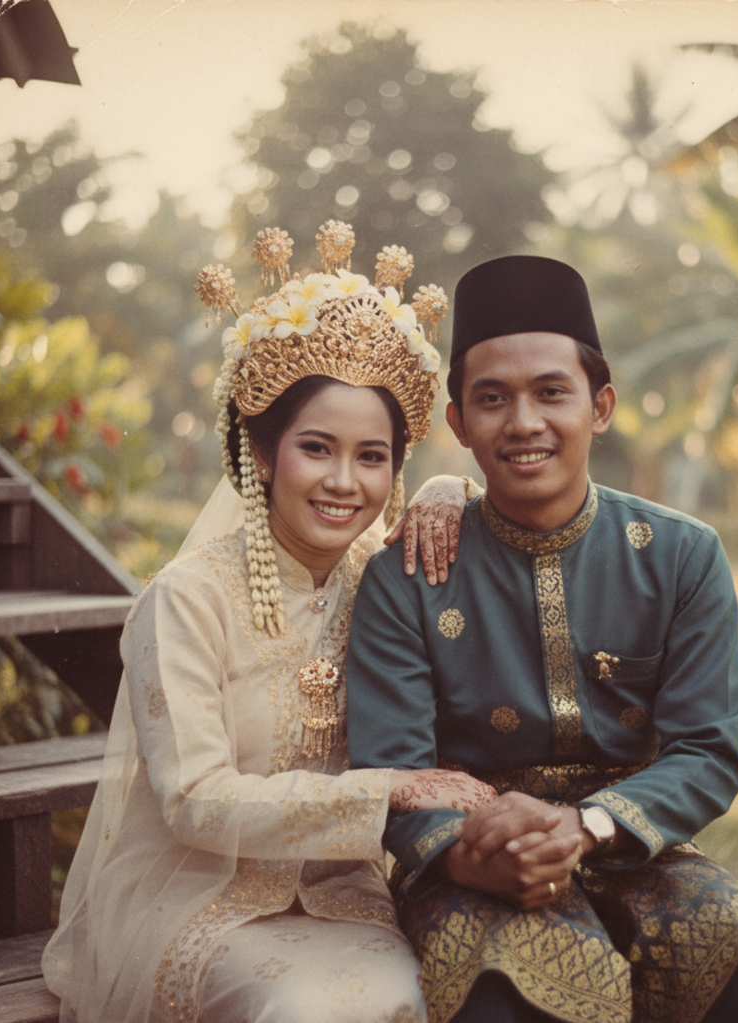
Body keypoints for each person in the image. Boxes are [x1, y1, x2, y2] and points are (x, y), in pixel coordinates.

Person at [42, 222, 495, 1023]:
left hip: (342, 899)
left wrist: (451, 490)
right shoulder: (184, 599)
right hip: (196, 902)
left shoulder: (380, 583)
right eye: (317, 447)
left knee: (439, 990)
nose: (344, 482)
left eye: (373, 456)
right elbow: (195, 800)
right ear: (261, 447)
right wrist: (385, 788)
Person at [347, 255, 738, 1023]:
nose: (523, 422)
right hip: (472, 858)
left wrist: (588, 825)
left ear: (600, 406)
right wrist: (470, 854)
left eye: (551, 392)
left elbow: (707, 748)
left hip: (635, 841)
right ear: (458, 424)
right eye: (491, 398)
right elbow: (390, 767)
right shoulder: (407, 574)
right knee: (507, 993)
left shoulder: (680, 555)